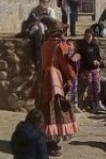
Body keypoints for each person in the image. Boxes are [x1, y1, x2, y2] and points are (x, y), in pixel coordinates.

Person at [29, 19, 80, 156]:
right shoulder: (60, 45)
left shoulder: (44, 44)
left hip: (43, 78)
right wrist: (72, 76)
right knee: (55, 109)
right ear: (59, 32)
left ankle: (44, 139)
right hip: (54, 80)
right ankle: (54, 143)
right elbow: (65, 64)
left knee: (43, 107)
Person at [76, 28, 104, 113]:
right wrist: (81, 71)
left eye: (89, 37)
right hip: (87, 70)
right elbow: (80, 60)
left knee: (97, 85)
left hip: (94, 69)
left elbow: (98, 57)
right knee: (91, 87)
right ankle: (93, 105)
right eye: (86, 37)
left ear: (92, 37)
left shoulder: (95, 46)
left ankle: (98, 102)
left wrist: (98, 62)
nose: (87, 38)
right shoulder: (82, 46)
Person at [26, 0, 58, 65]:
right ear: (40, 1)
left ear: (48, 2)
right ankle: (37, 60)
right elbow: (32, 22)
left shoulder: (50, 11)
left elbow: (53, 22)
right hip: (37, 31)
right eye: (43, 2)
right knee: (38, 33)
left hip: (47, 31)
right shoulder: (35, 11)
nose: (45, 3)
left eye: (46, 2)